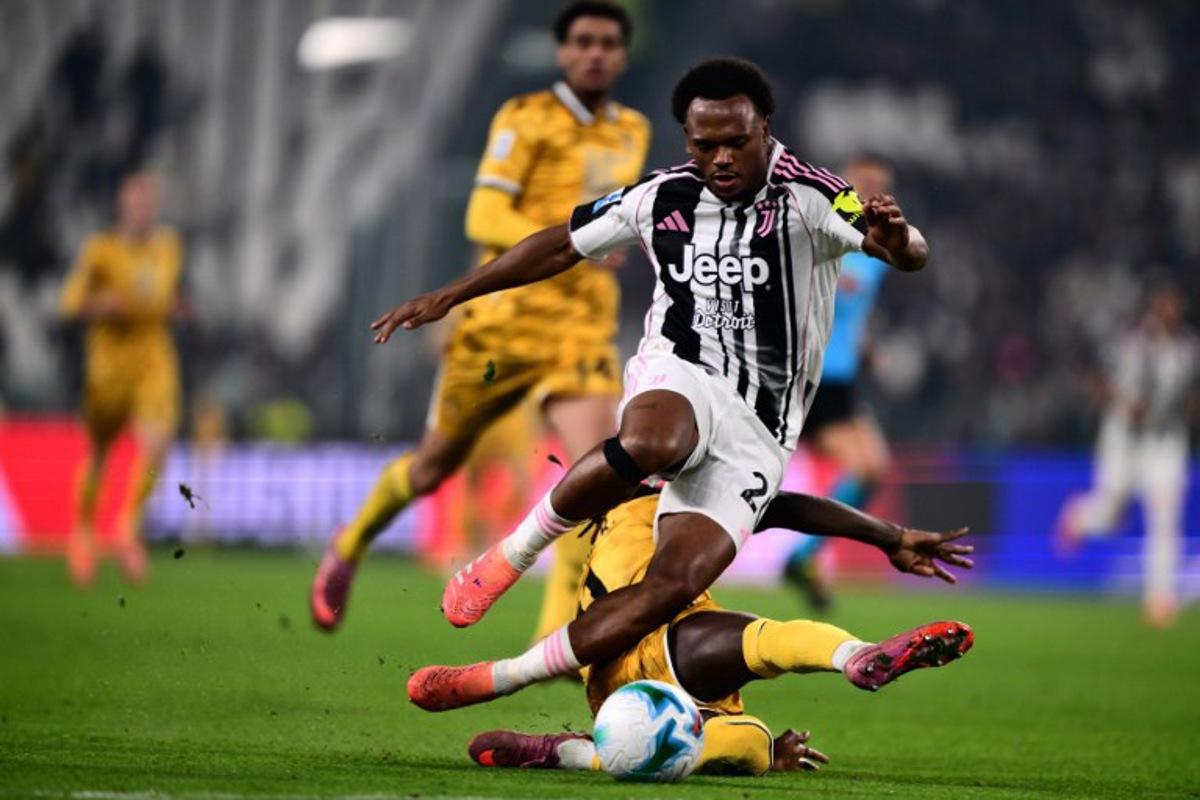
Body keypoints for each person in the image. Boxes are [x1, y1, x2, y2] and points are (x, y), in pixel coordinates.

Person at [372, 57, 930, 711]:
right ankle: (512, 555)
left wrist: (896, 240)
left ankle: (500, 678)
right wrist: (453, 293)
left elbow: (904, 248)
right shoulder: (660, 195)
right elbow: (562, 243)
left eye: (736, 142)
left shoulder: (817, 195)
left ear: (765, 129)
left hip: (763, 423)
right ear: (687, 139)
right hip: (683, 367)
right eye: (705, 145)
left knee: (670, 589)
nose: (721, 158)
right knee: (653, 440)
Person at [310, 1, 651, 634]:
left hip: (580, 328)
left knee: (595, 479)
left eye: (608, 42)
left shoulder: (632, 130)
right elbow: (485, 217)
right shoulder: (524, 118)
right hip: (503, 326)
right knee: (431, 468)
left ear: (623, 55)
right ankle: (350, 543)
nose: (595, 53)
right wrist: (579, 240)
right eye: (583, 41)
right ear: (563, 51)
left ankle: (554, 643)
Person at [463, 486, 974, 775]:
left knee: (753, 739)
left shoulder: (629, 490)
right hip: (651, 641)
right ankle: (854, 655)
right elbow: (786, 507)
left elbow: (782, 506)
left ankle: (577, 753)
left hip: (618, 687)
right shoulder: (673, 484)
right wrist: (890, 536)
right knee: (763, 646)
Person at [782, 154, 897, 612]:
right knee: (743, 470)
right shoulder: (820, 230)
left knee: (872, 468)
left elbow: (853, 314)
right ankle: (801, 555)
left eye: (880, 185)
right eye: (863, 181)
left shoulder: (879, 253)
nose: (871, 191)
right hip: (800, 377)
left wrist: (865, 349)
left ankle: (803, 556)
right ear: (843, 184)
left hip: (840, 382)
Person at [59, 169, 183, 586]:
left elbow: (161, 296)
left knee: (159, 444)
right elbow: (70, 304)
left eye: (148, 204)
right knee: (99, 452)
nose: (142, 211)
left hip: (153, 360)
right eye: (135, 204)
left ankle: (127, 528)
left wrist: (173, 305)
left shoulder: (168, 247)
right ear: (122, 207)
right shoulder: (101, 251)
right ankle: (82, 532)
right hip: (108, 367)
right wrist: (102, 305)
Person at [1056, 285, 1196, 628]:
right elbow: (1099, 382)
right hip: (1124, 438)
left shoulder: (1189, 347)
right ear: (1154, 307)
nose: (1171, 311)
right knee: (1110, 514)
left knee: (1165, 515)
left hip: (1165, 440)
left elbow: (1189, 393)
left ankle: (1159, 598)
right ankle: (1079, 517)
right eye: (1165, 304)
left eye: (1176, 304)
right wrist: (1124, 402)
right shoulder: (1132, 342)